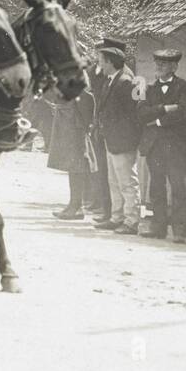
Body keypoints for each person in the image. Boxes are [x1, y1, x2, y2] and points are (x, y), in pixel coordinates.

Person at [137, 47, 186, 243]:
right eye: (158, 63)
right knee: (156, 186)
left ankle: (180, 230)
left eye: (164, 64)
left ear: (174, 67)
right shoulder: (149, 89)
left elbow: (185, 113)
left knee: (178, 186)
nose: (159, 67)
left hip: (176, 145)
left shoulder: (184, 87)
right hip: (154, 145)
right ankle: (158, 226)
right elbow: (141, 114)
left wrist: (157, 121)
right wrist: (164, 108)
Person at [93, 45, 142, 235]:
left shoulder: (125, 82)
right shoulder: (110, 80)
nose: (99, 65)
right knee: (114, 181)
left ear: (110, 62)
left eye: (101, 61)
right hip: (112, 140)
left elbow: (134, 114)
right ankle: (117, 217)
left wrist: (128, 138)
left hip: (123, 141)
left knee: (127, 182)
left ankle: (131, 221)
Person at [47, 72, 96, 219]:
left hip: (77, 140)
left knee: (77, 172)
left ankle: (77, 207)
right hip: (69, 140)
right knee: (72, 172)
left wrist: (81, 139)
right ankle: (73, 205)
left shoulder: (84, 96)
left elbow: (86, 120)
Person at [86, 38, 124, 219]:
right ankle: (105, 207)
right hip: (101, 128)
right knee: (102, 169)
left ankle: (110, 211)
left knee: (115, 176)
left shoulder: (125, 77)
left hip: (114, 133)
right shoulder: (104, 73)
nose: (98, 60)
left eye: (102, 55)